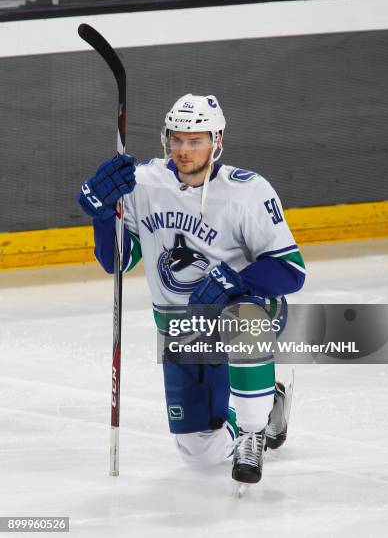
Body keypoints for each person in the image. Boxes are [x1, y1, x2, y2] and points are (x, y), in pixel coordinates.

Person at [76, 94, 306, 486]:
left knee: (244, 318)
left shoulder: (247, 191)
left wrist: (234, 281)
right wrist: (101, 215)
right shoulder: (143, 184)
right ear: (166, 138)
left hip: (248, 313)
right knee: (199, 454)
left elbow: (290, 271)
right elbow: (118, 261)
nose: (184, 150)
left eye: (196, 140)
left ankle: (253, 431)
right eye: (178, 139)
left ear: (216, 141)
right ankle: (268, 408)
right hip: (185, 331)